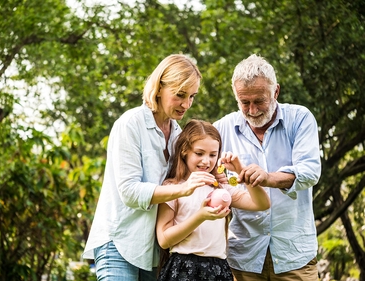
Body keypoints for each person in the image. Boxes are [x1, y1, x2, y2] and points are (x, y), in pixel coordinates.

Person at [82, 54, 216, 281]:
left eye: (192, 96)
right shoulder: (130, 124)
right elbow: (130, 191)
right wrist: (182, 189)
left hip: (155, 251)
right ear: (160, 87)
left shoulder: (177, 135)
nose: (186, 104)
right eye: (180, 95)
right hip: (119, 242)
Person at [213, 54, 321, 280]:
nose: (252, 110)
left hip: (295, 256)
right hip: (244, 257)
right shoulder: (221, 129)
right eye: (244, 102)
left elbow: (310, 171)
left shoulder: (300, 118)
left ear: (276, 92)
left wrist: (268, 178)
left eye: (259, 101)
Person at [156, 119, 270, 281]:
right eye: (199, 153)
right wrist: (200, 216)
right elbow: (164, 239)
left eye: (212, 155)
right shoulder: (173, 187)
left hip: (218, 269)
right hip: (184, 268)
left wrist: (241, 170)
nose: (206, 161)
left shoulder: (220, 188)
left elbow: (262, 204)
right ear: (184, 151)